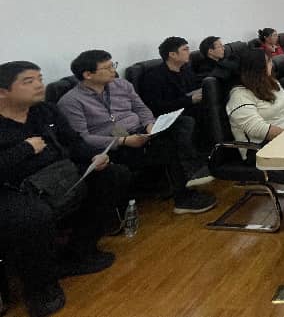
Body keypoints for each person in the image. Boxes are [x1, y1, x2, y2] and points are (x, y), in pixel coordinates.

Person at [1, 61, 128, 317]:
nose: (39, 85)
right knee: (32, 216)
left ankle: (78, 253)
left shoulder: (45, 111)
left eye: (40, 78)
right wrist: (24, 149)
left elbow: (73, 142)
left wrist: (93, 157)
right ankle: (40, 287)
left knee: (113, 175)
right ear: (3, 92)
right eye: (28, 81)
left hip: (56, 175)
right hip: (12, 189)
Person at [58, 50, 216, 214]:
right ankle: (183, 198)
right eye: (107, 67)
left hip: (141, 131)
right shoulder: (71, 101)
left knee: (182, 124)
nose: (113, 70)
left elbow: (141, 108)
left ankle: (189, 175)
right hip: (112, 145)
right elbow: (82, 138)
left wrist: (149, 125)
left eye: (113, 65)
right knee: (167, 146)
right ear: (88, 74)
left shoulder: (121, 85)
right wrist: (123, 141)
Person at [225, 50, 284, 239]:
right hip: (262, 150)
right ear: (256, 68)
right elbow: (260, 129)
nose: (271, 65)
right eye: (268, 62)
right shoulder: (240, 96)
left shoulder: (272, 84)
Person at [139, 37, 202, 115]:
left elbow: (193, 89)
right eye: (185, 50)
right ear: (172, 54)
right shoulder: (153, 77)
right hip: (171, 115)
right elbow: (156, 107)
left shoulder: (186, 70)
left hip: (189, 109)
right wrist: (190, 100)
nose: (189, 53)